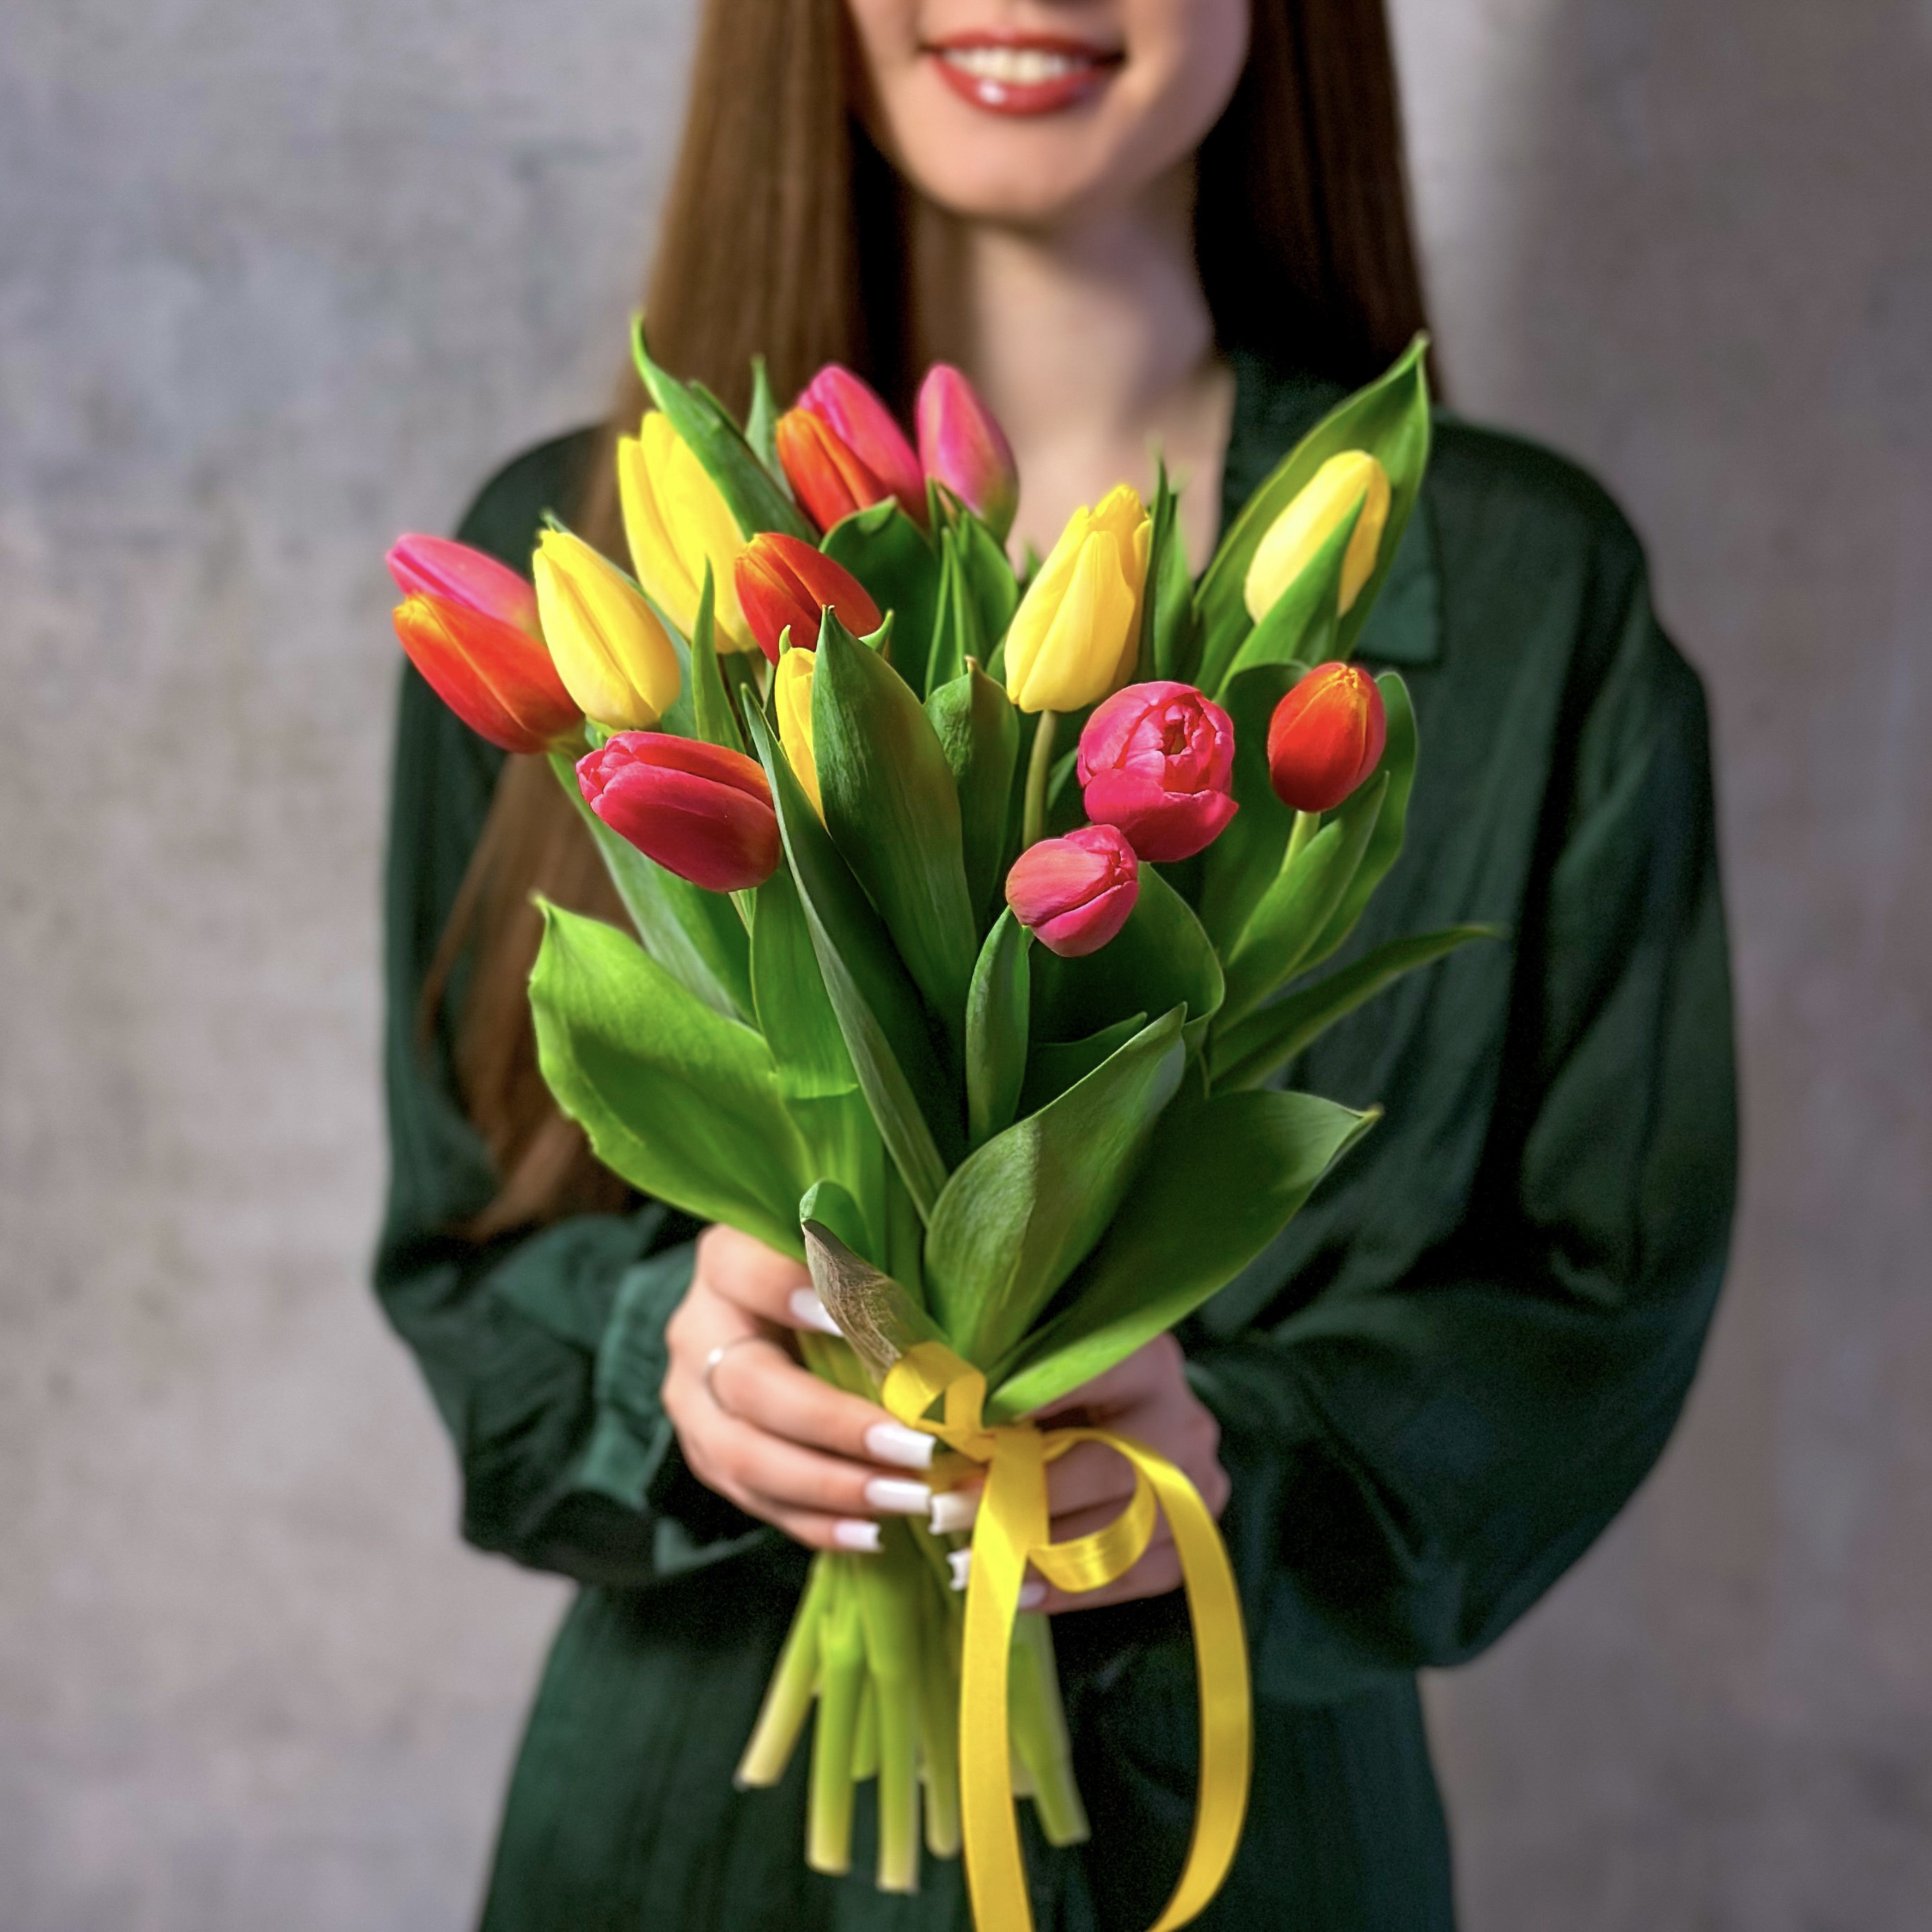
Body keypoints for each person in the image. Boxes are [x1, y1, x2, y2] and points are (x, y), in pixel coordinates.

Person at [377, 1, 1737, 1926]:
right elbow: (461, 1251)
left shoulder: (1527, 595)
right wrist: (670, 1362)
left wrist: (1230, 1466)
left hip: (1253, 1835)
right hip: (691, 1829)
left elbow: (1600, 1299)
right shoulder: (599, 561)